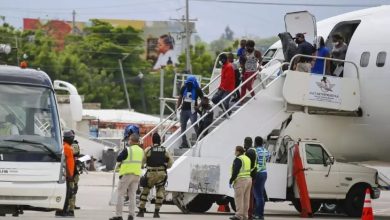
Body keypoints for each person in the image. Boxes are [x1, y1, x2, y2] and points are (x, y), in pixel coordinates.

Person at [137, 133, 174, 218]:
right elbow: (171, 163)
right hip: (161, 173)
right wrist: (165, 167)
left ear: (152, 140)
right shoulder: (165, 150)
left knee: (145, 191)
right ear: (160, 140)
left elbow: (142, 162)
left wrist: (143, 166)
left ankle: (141, 211)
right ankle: (156, 212)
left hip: (150, 173)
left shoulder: (148, 149)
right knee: (160, 192)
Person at [110, 134, 144, 220]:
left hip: (127, 174)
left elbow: (118, 158)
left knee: (120, 194)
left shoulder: (128, 150)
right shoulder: (141, 150)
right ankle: (131, 215)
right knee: (132, 195)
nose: (128, 141)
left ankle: (119, 215)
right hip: (136, 175)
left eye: (129, 140)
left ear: (132, 141)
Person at [177, 75, 204, 148]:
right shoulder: (184, 87)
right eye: (188, 83)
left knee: (194, 124)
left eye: (190, 83)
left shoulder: (197, 89)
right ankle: (184, 143)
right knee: (183, 127)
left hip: (192, 110)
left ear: (194, 82)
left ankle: (199, 139)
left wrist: (198, 106)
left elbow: (203, 99)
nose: (189, 84)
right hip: (183, 110)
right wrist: (177, 107)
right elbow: (180, 98)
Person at [55, 130, 76, 217]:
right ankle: (63, 211)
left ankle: (60, 211)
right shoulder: (66, 147)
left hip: (66, 174)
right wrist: (69, 174)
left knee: (67, 193)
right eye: (72, 138)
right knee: (67, 193)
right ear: (68, 138)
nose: (72, 139)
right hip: (67, 175)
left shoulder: (65, 146)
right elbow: (65, 162)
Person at [229, 146, 252, 220]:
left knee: (239, 198)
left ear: (238, 151)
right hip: (248, 179)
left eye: (235, 151)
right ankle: (245, 216)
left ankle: (238, 215)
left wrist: (231, 180)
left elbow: (236, 171)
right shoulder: (247, 158)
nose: (234, 152)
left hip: (241, 180)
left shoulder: (238, 159)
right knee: (246, 199)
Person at [253, 136, 270, 220]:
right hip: (264, 173)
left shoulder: (255, 151)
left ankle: (259, 215)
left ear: (255, 142)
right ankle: (259, 214)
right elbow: (268, 157)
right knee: (261, 195)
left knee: (258, 196)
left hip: (258, 173)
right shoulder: (266, 150)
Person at [244, 137, 258, 220]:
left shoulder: (249, 152)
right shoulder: (254, 150)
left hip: (250, 176)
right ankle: (250, 213)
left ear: (246, 143)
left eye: (245, 142)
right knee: (251, 196)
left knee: (248, 196)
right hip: (254, 174)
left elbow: (247, 164)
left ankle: (249, 214)